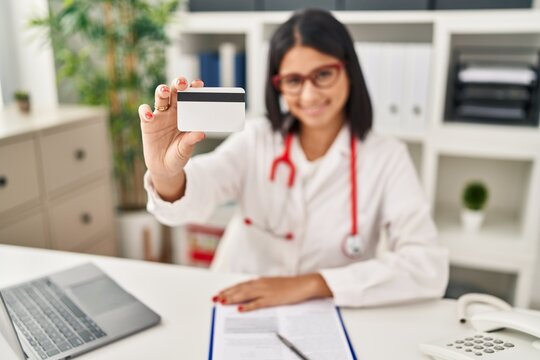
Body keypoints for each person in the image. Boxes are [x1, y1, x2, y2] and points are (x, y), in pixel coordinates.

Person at [138, 9, 449, 312]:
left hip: (323, 312)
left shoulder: (386, 157)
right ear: (278, 84)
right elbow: (198, 192)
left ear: (349, 70)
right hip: (238, 305)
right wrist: (166, 174)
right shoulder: (257, 138)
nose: (310, 95)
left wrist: (312, 283)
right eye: (294, 81)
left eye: (323, 74)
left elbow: (426, 266)